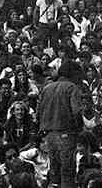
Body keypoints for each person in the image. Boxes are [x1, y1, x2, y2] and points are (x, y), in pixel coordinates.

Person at [37, 60, 83, 188]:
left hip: (49, 135)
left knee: (54, 170)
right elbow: (77, 112)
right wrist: (79, 129)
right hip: (66, 134)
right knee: (67, 170)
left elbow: (38, 112)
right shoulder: (71, 87)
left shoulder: (47, 88)